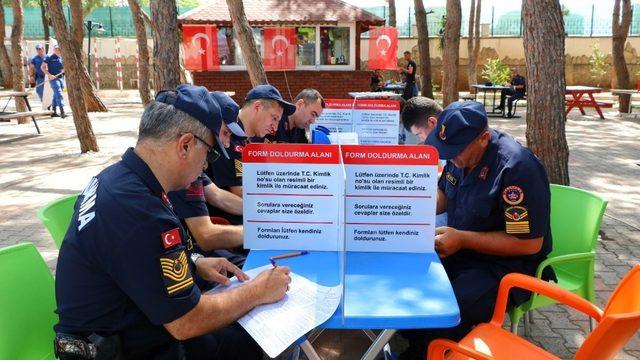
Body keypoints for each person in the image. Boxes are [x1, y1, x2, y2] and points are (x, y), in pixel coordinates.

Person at [54, 84, 291, 359]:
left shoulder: (119, 179)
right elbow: (187, 322)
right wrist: (257, 290)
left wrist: (193, 263)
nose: (205, 167)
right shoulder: (142, 210)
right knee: (249, 340)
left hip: (122, 328)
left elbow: (134, 258)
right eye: (209, 154)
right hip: (121, 348)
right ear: (185, 145)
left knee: (239, 337)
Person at [398, 101, 554, 359]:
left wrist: (462, 240)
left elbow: (528, 244)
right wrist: (411, 210)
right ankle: (418, 343)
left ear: (483, 138)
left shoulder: (516, 169)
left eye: (457, 151)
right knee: (412, 282)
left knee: (450, 306)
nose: (451, 156)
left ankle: (431, 350)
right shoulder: (459, 153)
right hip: (462, 252)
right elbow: (445, 193)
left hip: (506, 268)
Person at [208, 84, 296, 201]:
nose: (275, 127)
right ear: (258, 107)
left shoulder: (247, 138)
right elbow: (240, 191)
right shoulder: (228, 136)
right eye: (274, 118)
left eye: (278, 121)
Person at [42, 45, 65, 118]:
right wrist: (49, 75)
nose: (58, 50)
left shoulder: (62, 57)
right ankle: (62, 111)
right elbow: (42, 67)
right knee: (59, 93)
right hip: (53, 79)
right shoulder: (49, 57)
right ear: (54, 49)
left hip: (61, 78)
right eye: (56, 49)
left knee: (56, 94)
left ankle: (53, 111)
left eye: (59, 49)